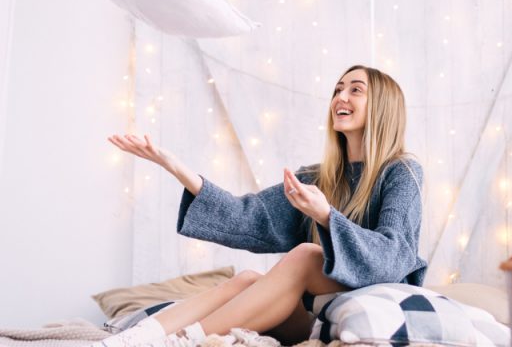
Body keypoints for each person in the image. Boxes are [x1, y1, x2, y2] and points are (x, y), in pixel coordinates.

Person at [95, 65, 426, 346]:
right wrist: (175, 167)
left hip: (363, 302)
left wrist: (326, 216)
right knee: (249, 279)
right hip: (309, 316)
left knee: (308, 255)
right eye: (338, 89)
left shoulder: (401, 173)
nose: (340, 97)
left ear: (382, 106)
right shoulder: (316, 178)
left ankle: (186, 340)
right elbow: (246, 218)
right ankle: (138, 337)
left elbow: (393, 256)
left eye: (356, 90)